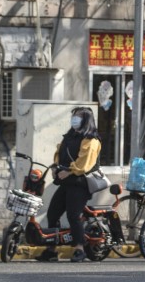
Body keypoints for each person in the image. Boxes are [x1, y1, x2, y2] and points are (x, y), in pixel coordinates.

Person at [37, 107, 103, 263]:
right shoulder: (69, 136)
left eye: (79, 116)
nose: (75, 118)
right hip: (66, 182)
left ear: (86, 119)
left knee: (73, 215)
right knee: (52, 213)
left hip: (81, 183)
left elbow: (84, 163)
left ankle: (80, 249)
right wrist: (55, 168)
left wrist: (69, 171)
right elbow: (60, 154)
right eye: (74, 115)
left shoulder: (91, 139)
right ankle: (52, 250)